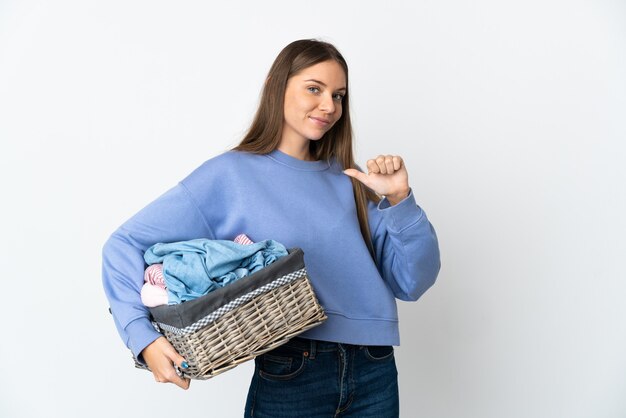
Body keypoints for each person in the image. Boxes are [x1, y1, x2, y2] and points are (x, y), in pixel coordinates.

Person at [102, 39, 441, 417]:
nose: (329, 106)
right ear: (277, 86)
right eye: (314, 88)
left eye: (339, 95)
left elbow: (414, 282)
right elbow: (124, 243)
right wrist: (142, 338)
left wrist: (399, 199)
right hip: (293, 367)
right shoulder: (229, 174)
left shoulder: (352, 179)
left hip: (375, 368)